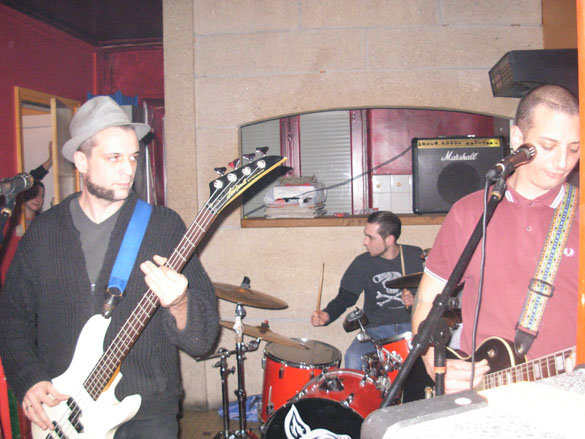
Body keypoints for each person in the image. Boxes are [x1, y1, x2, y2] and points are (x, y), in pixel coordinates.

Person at [0, 96, 220, 439]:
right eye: (114, 157)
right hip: (65, 412)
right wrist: (28, 378)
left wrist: (180, 304)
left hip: (148, 412)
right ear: (81, 161)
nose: (128, 170)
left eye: (133, 157)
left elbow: (202, 340)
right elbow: (12, 318)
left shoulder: (164, 226)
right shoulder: (42, 234)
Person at [412, 84, 580, 394]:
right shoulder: (470, 212)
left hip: (569, 394)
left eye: (574, 148)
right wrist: (431, 360)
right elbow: (427, 300)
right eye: (548, 145)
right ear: (517, 138)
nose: (562, 162)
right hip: (488, 394)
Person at [311, 211, 424, 371]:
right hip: (375, 331)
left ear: (389, 239)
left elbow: (434, 294)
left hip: (412, 328)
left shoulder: (415, 256)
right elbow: (345, 298)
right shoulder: (362, 263)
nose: (365, 242)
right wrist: (327, 314)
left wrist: (417, 301)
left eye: (371, 237)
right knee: (353, 357)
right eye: (366, 236)